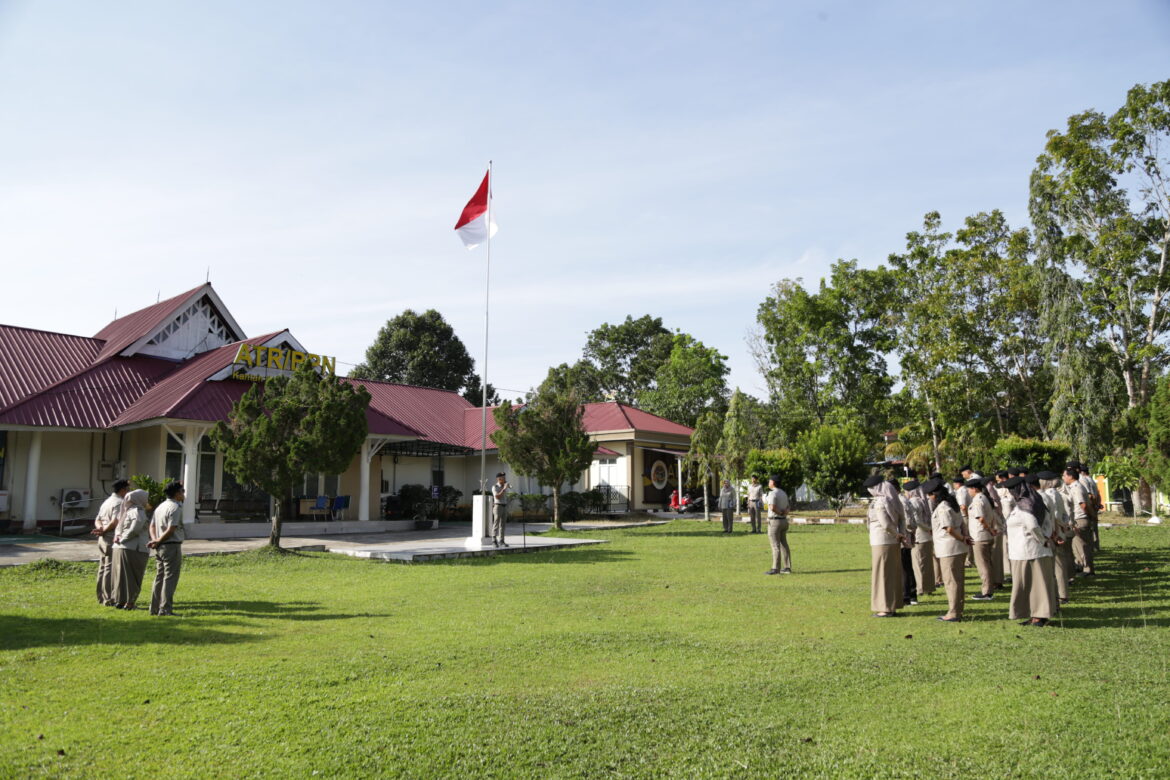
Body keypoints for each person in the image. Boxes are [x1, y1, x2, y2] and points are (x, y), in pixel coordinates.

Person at [1004, 476, 1057, 627]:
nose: (1010, 493)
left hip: (1030, 551)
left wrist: (1043, 540)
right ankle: (1033, 615)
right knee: (1029, 585)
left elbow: (1033, 526)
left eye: (1011, 490)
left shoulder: (1025, 505)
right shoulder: (1026, 503)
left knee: (1037, 585)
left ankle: (1040, 616)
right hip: (1024, 551)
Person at [923, 477, 971, 622]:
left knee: (951, 582)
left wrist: (963, 538)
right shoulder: (952, 503)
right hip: (957, 547)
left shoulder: (943, 507)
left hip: (949, 548)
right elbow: (962, 524)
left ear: (935, 495)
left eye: (930, 495)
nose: (929, 498)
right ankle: (957, 610)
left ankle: (953, 613)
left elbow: (949, 528)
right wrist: (964, 537)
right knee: (957, 581)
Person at [864, 474, 906, 617]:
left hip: (882, 541)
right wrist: (900, 534)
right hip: (892, 541)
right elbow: (901, 519)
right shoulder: (893, 500)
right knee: (892, 574)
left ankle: (885, 608)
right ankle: (892, 605)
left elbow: (885, 523)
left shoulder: (880, 502)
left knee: (882, 574)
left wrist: (896, 534)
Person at [148, 481, 186, 616]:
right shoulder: (175, 507)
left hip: (160, 546)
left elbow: (151, 525)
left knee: (160, 576)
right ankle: (165, 609)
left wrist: (155, 540)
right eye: (182, 491)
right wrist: (158, 540)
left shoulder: (160, 506)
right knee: (170, 578)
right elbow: (171, 529)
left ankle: (154, 608)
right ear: (177, 494)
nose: (184, 494)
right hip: (171, 545)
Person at [91, 479, 130, 606]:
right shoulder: (119, 502)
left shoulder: (107, 501)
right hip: (110, 538)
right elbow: (114, 522)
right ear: (123, 490)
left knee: (103, 567)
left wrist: (100, 529)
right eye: (127, 489)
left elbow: (98, 519)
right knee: (110, 568)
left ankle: (101, 596)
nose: (128, 492)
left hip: (103, 538)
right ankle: (108, 598)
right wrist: (104, 531)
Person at [1038, 471, 1074, 605]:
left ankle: (1061, 594)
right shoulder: (1055, 493)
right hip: (1058, 531)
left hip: (1055, 533)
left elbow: (1056, 516)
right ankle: (1061, 593)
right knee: (1059, 564)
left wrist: (1056, 531)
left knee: (1057, 565)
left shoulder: (1050, 494)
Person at [111, 489, 151, 610]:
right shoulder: (138, 511)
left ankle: (120, 600)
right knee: (133, 576)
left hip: (121, 547)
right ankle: (129, 603)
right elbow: (136, 527)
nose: (146, 500)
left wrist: (120, 538)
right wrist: (124, 538)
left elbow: (119, 528)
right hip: (134, 548)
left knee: (121, 577)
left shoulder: (125, 511)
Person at [965, 478, 998, 601]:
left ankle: (987, 592)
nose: (968, 491)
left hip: (980, 536)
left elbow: (981, 519)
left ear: (974, 489)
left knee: (983, 565)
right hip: (984, 535)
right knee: (987, 563)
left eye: (969, 489)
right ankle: (989, 589)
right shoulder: (984, 498)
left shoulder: (978, 500)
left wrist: (990, 529)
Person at [905, 479, 935, 599]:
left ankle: (920, 588)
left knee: (918, 563)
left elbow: (917, 521)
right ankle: (928, 587)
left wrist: (928, 528)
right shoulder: (922, 500)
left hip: (919, 535)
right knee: (927, 563)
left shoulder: (913, 502)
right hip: (927, 535)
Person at [1063, 467, 1094, 576]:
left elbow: (1083, 504)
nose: (1063, 478)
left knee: (1082, 546)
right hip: (1078, 518)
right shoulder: (1073, 486)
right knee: (1078, 546)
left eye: (1064, 476)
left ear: (1070, 476)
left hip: (1079, 519)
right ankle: (1082, 567)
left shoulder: (1076, 488)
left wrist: (1088, 515)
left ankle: (1087, 570)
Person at [892, 480, 918, 606]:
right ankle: (911, 594)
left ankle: (907, 596)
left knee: (904, 568)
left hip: (903, 538)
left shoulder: (900, 501)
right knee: (907, 567)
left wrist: (904, 534)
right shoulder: (901, 499)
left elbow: (907, 521)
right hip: (905, 536)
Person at [764, 475, 791, 575]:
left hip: (775, 521)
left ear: (773, 482)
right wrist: (784, 513)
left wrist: (779, 512)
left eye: (769, 481)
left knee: (775, 545)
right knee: (784, 544)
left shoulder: (772, 493)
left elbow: (772, 507)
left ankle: (775, 568)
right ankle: (787, 567)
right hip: (784, 521)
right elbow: (788, 507)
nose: (768, 482)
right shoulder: (783, 493)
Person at [491, 472, 510, 548]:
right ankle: (494, 540)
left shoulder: (504, 486)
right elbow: (497, 497)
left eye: (504, 477)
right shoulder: (495, 487)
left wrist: (505, 487)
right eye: (503, 478)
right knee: (496, 524)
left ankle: (501, 540)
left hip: (504, 506)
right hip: (498, 506)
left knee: (503, 525)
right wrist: (504, 489)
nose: (504, 479)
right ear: (499, 479)